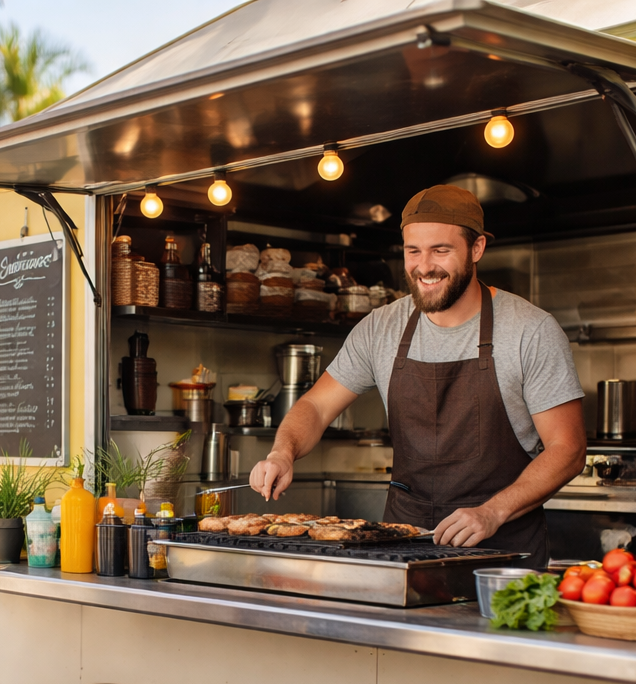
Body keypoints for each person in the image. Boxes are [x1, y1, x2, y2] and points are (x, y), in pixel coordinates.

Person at [251, 185, 586, 566]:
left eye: (441, 250)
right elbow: (316, 404)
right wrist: (283, 452)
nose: (424, 266)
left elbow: (568, 449)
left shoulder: (530, 330)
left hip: (503, 549)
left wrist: (493, 512)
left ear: (476, 249)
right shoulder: (382, 327)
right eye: (414, 251)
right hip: (403, 545)